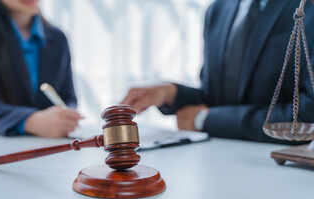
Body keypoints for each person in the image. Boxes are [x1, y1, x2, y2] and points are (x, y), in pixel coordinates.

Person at [122, 0, 314, 144]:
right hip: (215, 165)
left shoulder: (307, 8)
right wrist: (170, 93)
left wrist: (205, 120)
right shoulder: (218, 9)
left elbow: (308, 116)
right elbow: (218, 100)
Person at [0, 0, 82, 138]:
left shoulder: (58, 39)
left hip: (51, 148)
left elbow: (68, 97)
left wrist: (66, 116)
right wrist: (32, 121)